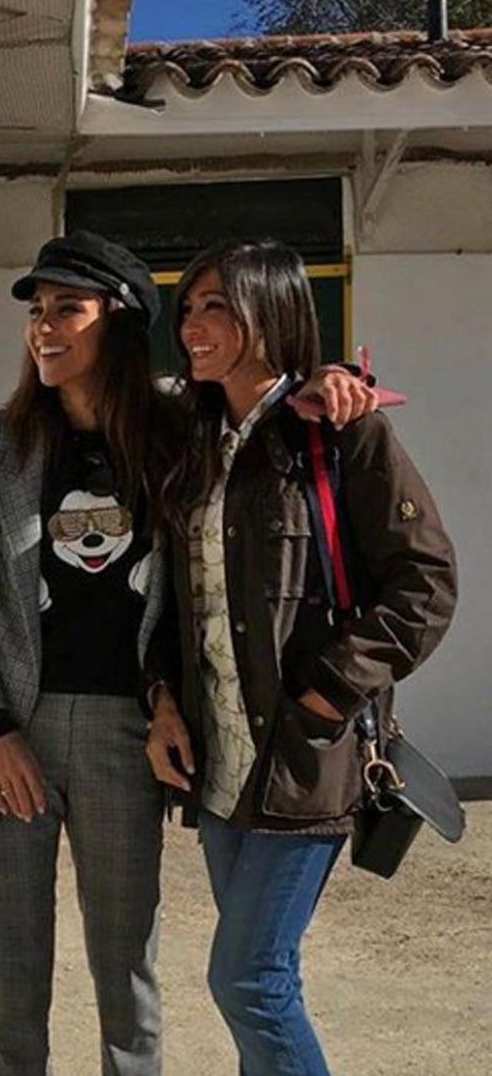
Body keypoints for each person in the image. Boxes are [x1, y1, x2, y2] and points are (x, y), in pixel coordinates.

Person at [0, 231, 374, 1076]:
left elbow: (258, 399)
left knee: (125, 970)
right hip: (6, 732)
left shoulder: (179, 427)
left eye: (69, 308)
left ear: (122, 320)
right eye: (36, 311)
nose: (44, 327)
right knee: (14, 980)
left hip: (123, 736)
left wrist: (323, 382)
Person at [145, 239, 457, 1075]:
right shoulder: (195, 443)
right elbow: (182, 602)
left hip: (302, 757)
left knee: (246, 980)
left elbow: (424, 586)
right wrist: (164, 701)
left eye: (218, 306)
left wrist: (327, 695)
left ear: (271, 312)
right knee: (270, 979)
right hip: (218, 766)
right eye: (189, 309)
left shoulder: (342, 435)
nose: (195, 327)